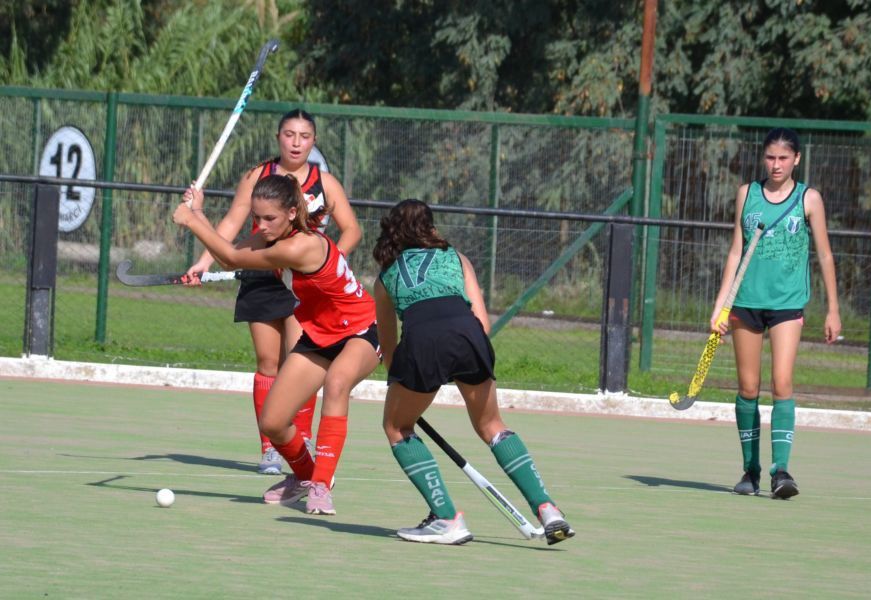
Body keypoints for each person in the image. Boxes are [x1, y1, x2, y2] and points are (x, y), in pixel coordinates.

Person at [372, 199, 575, 545]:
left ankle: (447, 518)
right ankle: (548, 509)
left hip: (422, 342)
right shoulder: (457, 257)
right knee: (492, 426)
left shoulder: (385, 277)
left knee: (396, 426)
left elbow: (389, 346)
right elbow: (482, 323)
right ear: (431, 228)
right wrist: (459, 357)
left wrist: (403, 383)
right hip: (469, 335)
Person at [174, 174, 379, 515]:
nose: (262, 225)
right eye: (257, 218)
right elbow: (229, 255)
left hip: (359, 331)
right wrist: (200, 213)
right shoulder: (274, 237)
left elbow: (234, 259)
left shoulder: (301, 245)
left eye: (269, 218)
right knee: (273, 422)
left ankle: (322, 486)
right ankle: (304, 476)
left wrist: (192, 221)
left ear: (291, 212)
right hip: (320, 336)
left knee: (337, 383)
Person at [185, 110, 362, 476]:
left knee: (302, 361)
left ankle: (303, 438)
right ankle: (270, 449)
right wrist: (203, 262)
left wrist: (327, 264)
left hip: (306, 287)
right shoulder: (257, 176)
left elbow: (351, 230)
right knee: (268, 363)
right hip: (264, 277)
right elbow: (234, 222)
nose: (296, 143)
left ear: (314, 140)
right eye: (289, 134)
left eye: (305, 136)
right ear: (278, 137)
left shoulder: (325, 183)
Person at [711, 127, 841, 500]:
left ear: (797, 159)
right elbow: (736, 251)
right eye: (770, 157)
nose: (776, 164)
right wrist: (721, 305)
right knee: (748, 387)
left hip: (787, 304)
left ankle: (780, 471)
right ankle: (749, 471)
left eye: (784, 158)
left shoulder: (809, 199)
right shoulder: (747, 195)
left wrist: (832, 309)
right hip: (745, 302)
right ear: (763, 158)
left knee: (781, 382)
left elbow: (826, 255)